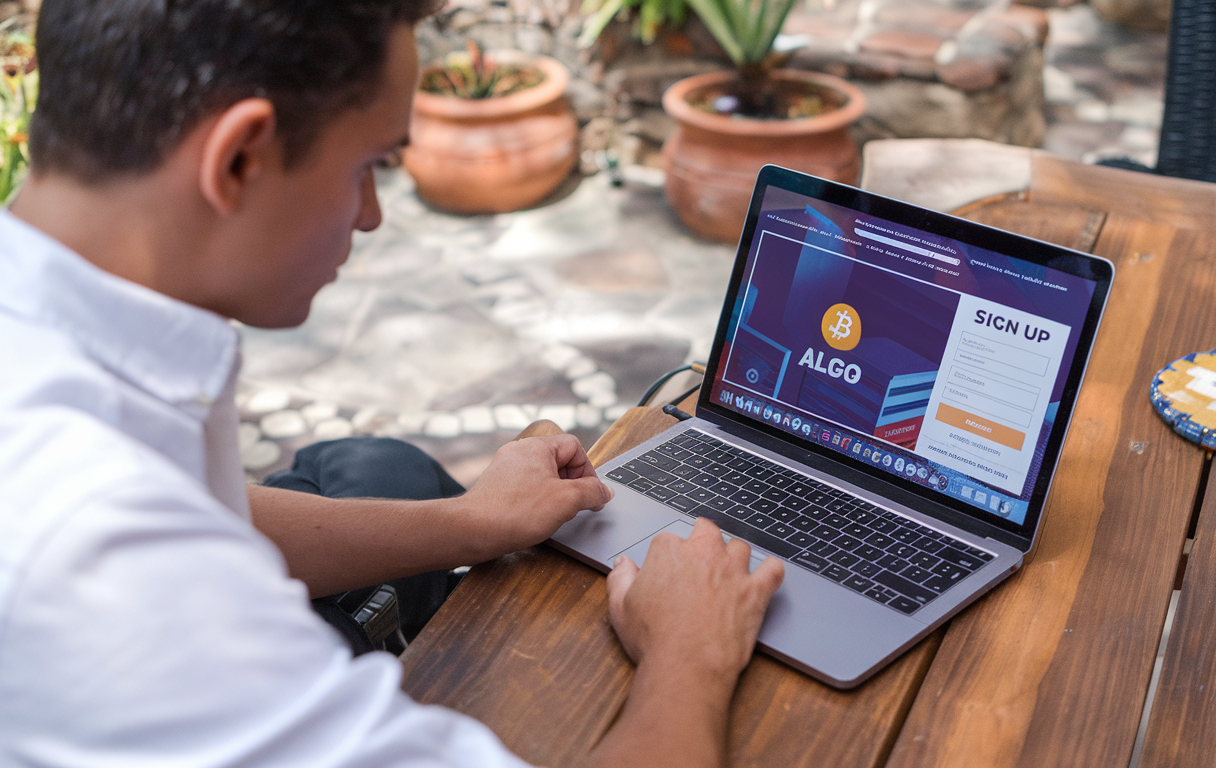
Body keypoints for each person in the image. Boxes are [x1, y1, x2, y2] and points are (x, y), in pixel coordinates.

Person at [0, 1, 785, 766]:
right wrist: (691, 652)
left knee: (378, 465)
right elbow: (150, 537)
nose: (372, 216)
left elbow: (208, 512)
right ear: (238, 159)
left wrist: (472, 521)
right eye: (367, 165)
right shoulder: (99, 554)